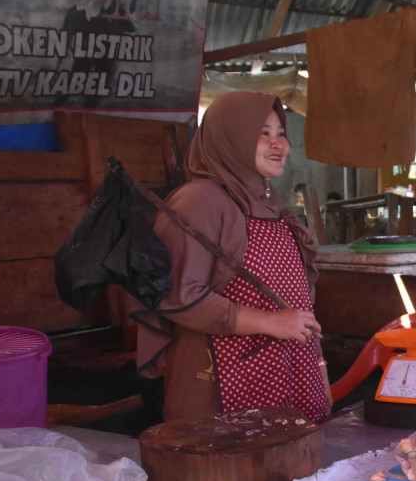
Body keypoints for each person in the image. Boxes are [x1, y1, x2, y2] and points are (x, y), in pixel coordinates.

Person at [135, 91, 331, 422]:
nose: (279, 145)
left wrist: (318, 366)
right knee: (236, 469)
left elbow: (297, 303)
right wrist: (269, 322)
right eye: (262, 133)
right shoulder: (200, 202)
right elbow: (175, 292)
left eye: (281, 133)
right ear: (230, 138)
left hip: (289, 377)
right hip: (220, 386)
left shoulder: (271, 203)